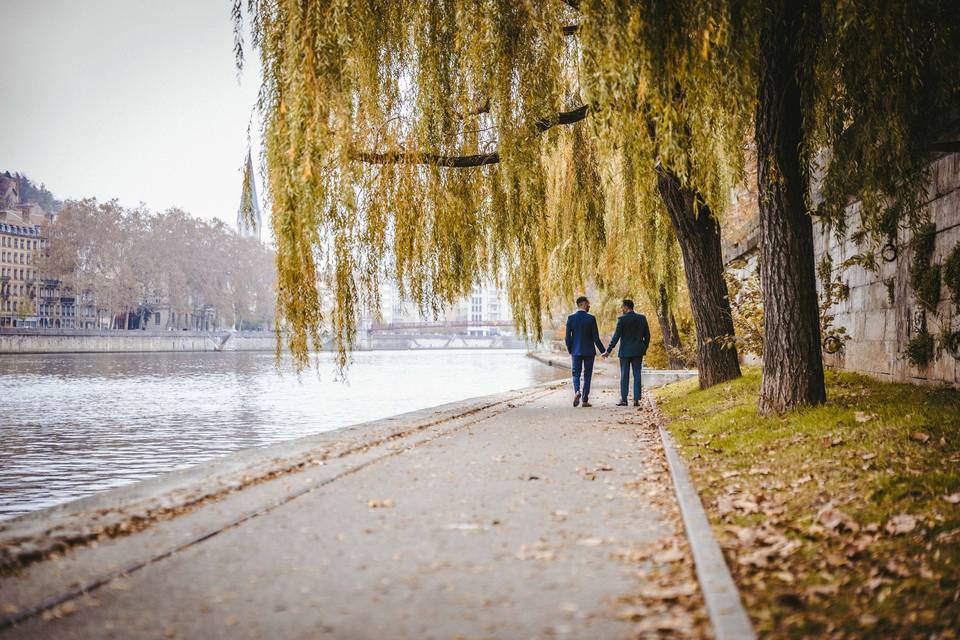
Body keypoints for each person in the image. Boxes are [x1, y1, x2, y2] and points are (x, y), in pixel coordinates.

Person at [603, 299, 651, 406]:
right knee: (637, 374)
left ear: (626, 307)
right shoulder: (642, 318)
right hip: (638, 352)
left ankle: (624, 400)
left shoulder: (622, 319)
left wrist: (608, 351)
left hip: (625, 352)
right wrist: (643, 347)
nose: (621, 309)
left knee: (624, 375)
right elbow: (647, 336)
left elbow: (616, 337)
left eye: (622, 307)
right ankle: (636, 400)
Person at [565, 296, 606, 408]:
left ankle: (577, 391)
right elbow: (595, 338)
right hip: (589, 352)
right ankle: (584, 400)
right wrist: (603, 351)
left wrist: (570, 349)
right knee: (587, 376)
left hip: (576, 351)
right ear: (583, 304)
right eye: (588, 304)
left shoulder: (571, 318)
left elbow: (567, 337)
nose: (589, 306)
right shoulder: (591, 318)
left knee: (576, 374)